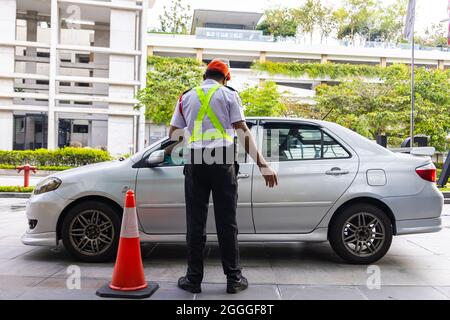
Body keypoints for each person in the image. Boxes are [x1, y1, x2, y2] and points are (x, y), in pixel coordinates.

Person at [168, 59, 278, 294]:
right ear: (226, 78)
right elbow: (242, 130)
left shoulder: (186, 96)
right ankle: (233, 279)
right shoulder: (229, 95)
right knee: (226, 222)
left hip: (196, 160)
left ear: (204, 75)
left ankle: (193, 279)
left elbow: (174, 134)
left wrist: (194, 142)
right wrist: (263, 164)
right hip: (223, 159)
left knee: (195, 222)